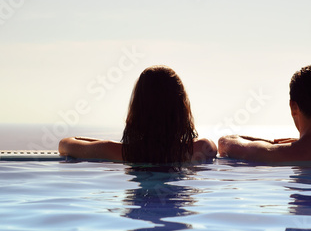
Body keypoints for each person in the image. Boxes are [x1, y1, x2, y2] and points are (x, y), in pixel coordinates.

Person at [59, 65, 217, 164]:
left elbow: (65, 144)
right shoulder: (199, 148)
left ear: (137, 109)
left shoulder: (119, 151)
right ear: (182, 109)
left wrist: (105, 143)